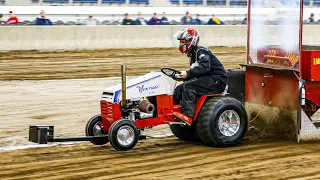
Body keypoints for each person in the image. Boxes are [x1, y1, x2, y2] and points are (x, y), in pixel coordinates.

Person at [172, 28, 228, 126]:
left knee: (188, 86)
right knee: (179, 88)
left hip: (217, 80)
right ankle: (172, 111)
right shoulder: (192, 55)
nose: (181, 45)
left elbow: (205, 68)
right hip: (208, 79)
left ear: (191, 41)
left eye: (183, 42)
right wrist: (183, 77)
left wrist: (188, 73)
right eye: (180, 42)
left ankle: (188, 116)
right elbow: (198, 74)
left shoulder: (201, 51)